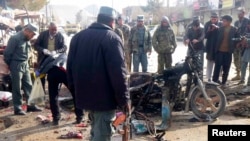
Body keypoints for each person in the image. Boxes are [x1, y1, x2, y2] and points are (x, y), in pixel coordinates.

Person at [67, 6, 130, 141]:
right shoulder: (112, 38)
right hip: (104, 100)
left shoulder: (77, 37)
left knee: (96, 131)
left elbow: (70, 70)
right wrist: (124, 100)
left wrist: (77, 93)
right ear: (112, 21)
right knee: (102, 134)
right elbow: (119, 74)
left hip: (86, 97)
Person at [3, 23, 42, 115]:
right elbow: (7, 54)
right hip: (16, 65)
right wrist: (11, 65)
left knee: (29, 85)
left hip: (25, 64)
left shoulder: (26, 39)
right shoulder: (15, 38)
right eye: (32, 34)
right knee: (17, 87)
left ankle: (31, 106)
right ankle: (18, 108)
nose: (33, 36)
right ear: (27, 31)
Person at [36, 53, 84, 125]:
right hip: (64, 73)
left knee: (53, 96)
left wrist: (39, 71)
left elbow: (43, 66)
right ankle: (79, 117)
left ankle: (56, 119)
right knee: (75, 94)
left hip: (52, 73)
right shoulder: (68, 56)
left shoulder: (52, 55)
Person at [34, 22, 67, 91]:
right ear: (49, 28)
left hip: (54, 59)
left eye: (56, 29)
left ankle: (53, 92)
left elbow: (64, 48)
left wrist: (56, 52)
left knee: (53, 76)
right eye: (52, 29)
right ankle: (41, 92)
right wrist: (43, 50)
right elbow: (36, 45)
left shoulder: (60, 35)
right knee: (41, 75)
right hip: (43, 58)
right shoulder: (43, 34)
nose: (54, 31)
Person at [212, 15, 239, 87]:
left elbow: (237, 40)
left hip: (228, 52)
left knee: (226, 68)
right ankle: (214, 81)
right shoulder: (220, 29)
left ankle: (224, 82)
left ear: (229, 22)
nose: (223, 22)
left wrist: (235, 45)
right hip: (219, 51)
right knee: (217, 67)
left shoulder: (234, 30)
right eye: (222, 21)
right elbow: (216, 40)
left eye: (224, 21)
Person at [232, 7, 249, 81]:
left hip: (244, 44)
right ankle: (238, 74)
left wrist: (242, 42)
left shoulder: (248, 21)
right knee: (235, 59)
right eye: (238, 13)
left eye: (241, 13)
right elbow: (235, 33)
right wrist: (235, 42)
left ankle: (243, 77)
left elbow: (247, 33)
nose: (239, 14)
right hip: (236, 43)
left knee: (243, 61)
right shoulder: (236, 22)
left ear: (244, 13)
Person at [204, 12, 222, 82]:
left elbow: (222, 33)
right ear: (210, 18)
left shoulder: (220, 24)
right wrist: (210, 30)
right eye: (212, 18)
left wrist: (217, 28)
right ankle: (209, 78)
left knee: (218, 62)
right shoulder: (207, 24)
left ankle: (217, 78)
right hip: (210, 46)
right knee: (210, 62)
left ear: (217, 18)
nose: (213, 20)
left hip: (219, 46)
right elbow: (205, 36)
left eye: (215, 18)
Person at [240, 20, 250, 92]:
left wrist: (247, 41)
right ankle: (242, 79)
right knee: (243, 65)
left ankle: (249, 85)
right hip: (247, 51)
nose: (248, 26)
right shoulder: (247, 31)